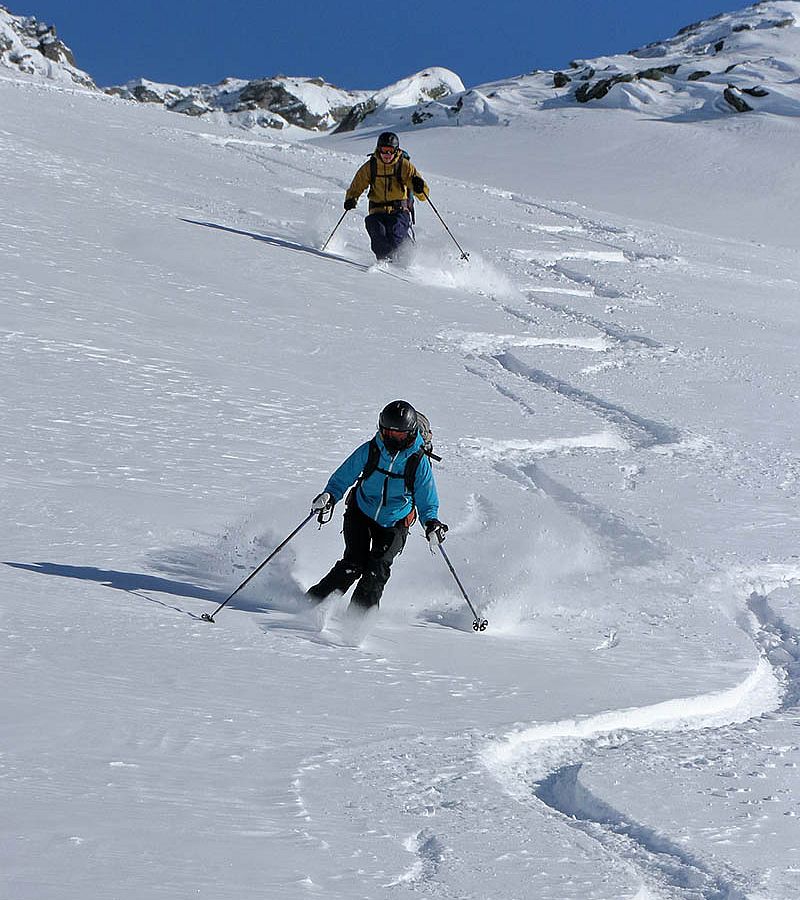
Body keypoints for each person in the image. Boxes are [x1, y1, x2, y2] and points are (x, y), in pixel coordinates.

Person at [308, 400, 448, 613]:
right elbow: (344, 476)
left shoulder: (417, 461)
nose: (392, 438)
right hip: (361, 511)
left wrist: (431, 523)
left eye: (398, 435)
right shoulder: (371, 450)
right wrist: (329, 496)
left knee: (377, 569)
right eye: (387, 432)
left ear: (409, 434)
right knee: (353, 563)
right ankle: (309, 604)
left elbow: (426, 497)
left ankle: (356, 622)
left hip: (395, 520)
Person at [344, 131, 429, 262]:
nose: (387, 155)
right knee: (376, 231)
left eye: (390, 151)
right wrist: (351, 199)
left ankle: (406, 257)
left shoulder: (404, 166)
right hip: (376, 211)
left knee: (395, 233)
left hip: (399, 211)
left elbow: (424, 195)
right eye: (384, 150)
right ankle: (386, 263)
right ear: (379, 149)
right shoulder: (371, 167)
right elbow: (357, 185)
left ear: (396, 150)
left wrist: (419, 187)